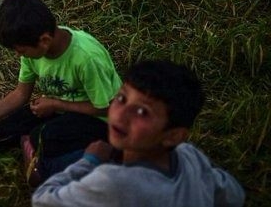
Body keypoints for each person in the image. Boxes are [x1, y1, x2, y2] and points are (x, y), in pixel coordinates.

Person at [0, 0, 122, 185]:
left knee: (42, 138)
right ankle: (33, 143)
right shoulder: (32, 51)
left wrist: (55, 104)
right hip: (62, 108)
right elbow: (21, 93)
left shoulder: (86, 58)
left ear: (44, 40)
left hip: (100, 118)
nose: (19, 55)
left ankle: (95, 154)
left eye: (21, 50)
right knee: (3, 135)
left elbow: (108, 107)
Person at [32, 60, 245, 207]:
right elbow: (234, 195)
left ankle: (37, 166)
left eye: (143, 111)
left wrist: (89, 160)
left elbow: (42, 200)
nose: (120, 115)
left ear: (173, 135)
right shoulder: (190, 156)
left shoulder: (112, 183)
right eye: (122, 98)